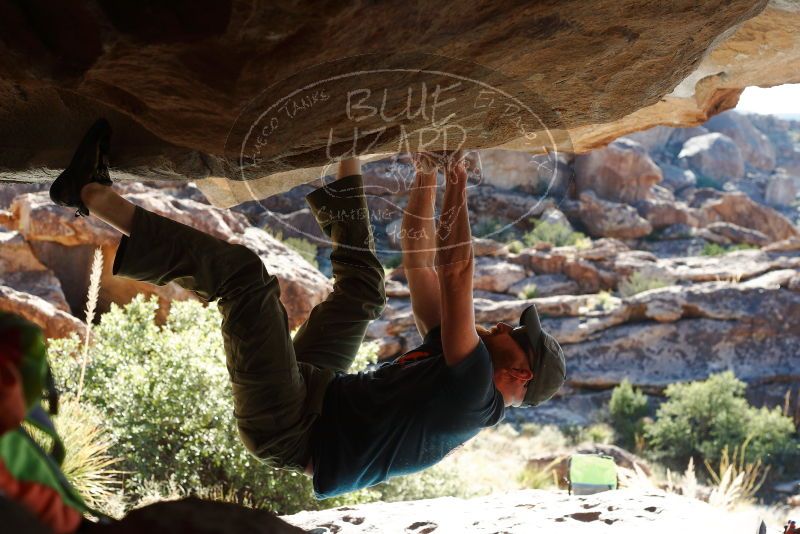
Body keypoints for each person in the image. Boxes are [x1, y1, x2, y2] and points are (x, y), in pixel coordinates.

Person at [50, 120, 566, 501]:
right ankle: (346, 154)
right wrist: (428, 172)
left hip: (292, 426)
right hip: (320, 388)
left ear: (519, 373)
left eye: (515, 333)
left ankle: (89, 193)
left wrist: (457, 178)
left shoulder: (473, 393)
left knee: (244, 279)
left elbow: (456, 274)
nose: (503, 323)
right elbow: (421, 264)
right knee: (365, 287)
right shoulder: (460, 366)